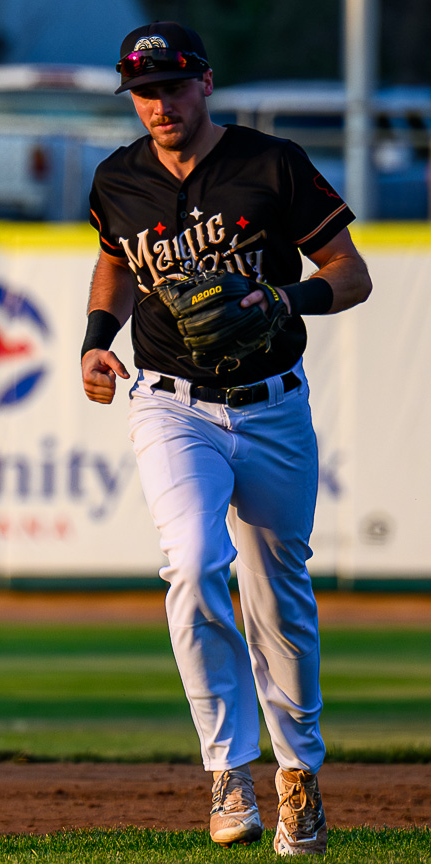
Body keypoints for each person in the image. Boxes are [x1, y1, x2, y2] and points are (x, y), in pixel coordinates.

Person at [80, 22, 372, 856]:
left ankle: (299, 775)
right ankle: (227, 771)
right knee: (192, 561)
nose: (159, 102)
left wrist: (288, 301)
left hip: (274, 406)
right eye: (143, 89)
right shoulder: (116, 178)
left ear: (205, 83)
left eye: (172, 84)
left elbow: (351, 276)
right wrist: (99, 337)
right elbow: (115, 261)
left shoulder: (270, 164)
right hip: (171, 402)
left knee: (280, 601)